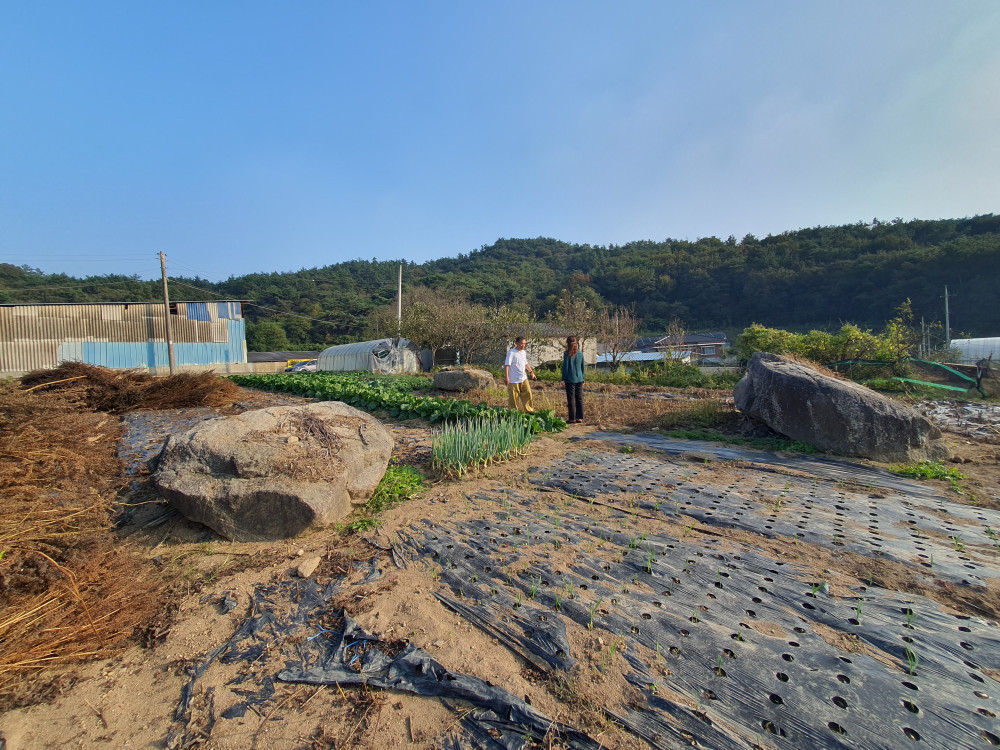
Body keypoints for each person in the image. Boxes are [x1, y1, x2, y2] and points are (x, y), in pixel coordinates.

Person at [504, 336, 537, 413]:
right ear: (516, 343)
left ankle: (529, 411)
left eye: (524, 344)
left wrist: (531, 372)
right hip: (513, 380)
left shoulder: (523, 352)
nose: (523, 345)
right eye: (521, 343)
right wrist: (506, 377)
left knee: (528, 394)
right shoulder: (511, 353)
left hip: (523, 378)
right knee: (513, 398)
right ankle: (513, 413)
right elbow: (507, 365)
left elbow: (526, 363)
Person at [561, 335, 585, 423]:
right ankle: (580, 417)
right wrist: (583, 378)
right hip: (579, 378)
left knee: (571, 398)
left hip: (570, 379)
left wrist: (563, 379)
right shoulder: (580, 353)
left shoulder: (567, 354)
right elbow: (583, 367)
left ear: (568, 343)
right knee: (579, 398)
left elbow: (566, 367)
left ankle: (572, 418)